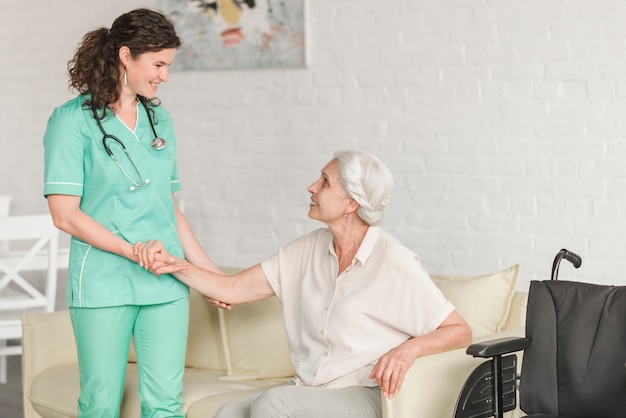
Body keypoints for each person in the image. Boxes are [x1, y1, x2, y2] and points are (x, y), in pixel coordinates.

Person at [135, 150, 473, 418]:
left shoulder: (392, 261)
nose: (312, 187)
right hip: (311, 389)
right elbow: (232, 289)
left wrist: (408, 349)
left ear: (351, 204)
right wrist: (172, 265)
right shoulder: (307, 249)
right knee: (229, 412)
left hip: (366, 395)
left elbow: (459, 330)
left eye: (325, 182)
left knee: (275, 404)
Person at [43, 9, 221, 418]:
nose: (165, 76)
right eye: (158, 64)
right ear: (126, 55)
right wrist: (132, 251)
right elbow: (65, 215)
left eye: (168, 66)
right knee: (100, 402)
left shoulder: (159, 119)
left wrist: (212, 278)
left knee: (164, 404)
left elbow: (169, 209)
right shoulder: (71, 123)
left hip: (165, 279)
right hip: (104, 281)